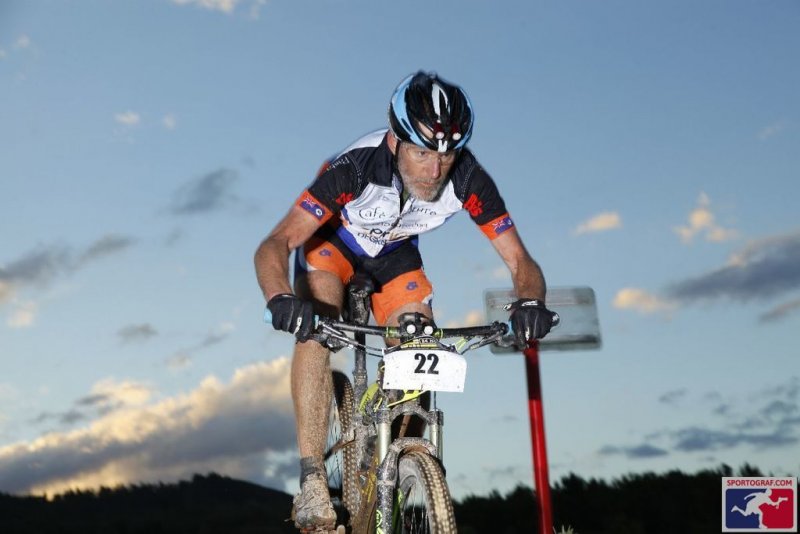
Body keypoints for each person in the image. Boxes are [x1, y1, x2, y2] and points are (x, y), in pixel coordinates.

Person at [254, 71, 557, 531]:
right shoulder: (355, 168)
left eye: (447, 154)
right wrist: (279, 297)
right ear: (395, 141)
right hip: (332, 245)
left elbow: (520, 261)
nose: (435, 171)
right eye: (421, 153)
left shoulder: (468, 178)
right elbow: (275, 243)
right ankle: (313, 478)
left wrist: (530, 302)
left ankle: (399, 463)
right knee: (318, 320)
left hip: (395, 257)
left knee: (420, 341)